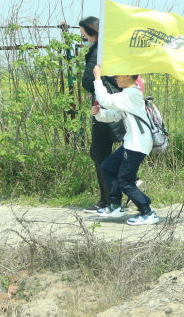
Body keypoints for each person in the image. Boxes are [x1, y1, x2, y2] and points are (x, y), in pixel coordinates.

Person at [91, 64, 159, 226]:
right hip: (133, 142)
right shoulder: (128, 95)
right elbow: (114, 115)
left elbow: (106, 100)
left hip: (137, 144)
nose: (115, 78)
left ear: (128, 75)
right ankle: (115, 205)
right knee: (108, 167)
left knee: (125, 180)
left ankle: (147, 212)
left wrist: (97, 78)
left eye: (118, 75)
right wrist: (99, 113)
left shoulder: (131, 94)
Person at [79, 16, 115, 213]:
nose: (83, 37)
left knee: (99, 153)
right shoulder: (112, 48)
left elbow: (88, 81)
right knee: (113, 151)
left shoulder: (97, 51)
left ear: (91, 32)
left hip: (101, 106)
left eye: (83, 34)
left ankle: (108, 201)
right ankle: (120, 191)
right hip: (118, 104)